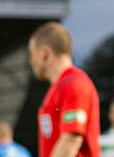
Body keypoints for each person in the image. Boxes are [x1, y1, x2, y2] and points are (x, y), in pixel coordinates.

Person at [29, 22, 101, 157]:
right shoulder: (59, 87)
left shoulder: (74, 84)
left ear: (45, 54)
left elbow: (71, 139)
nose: (31, 61)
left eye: (32, 54)